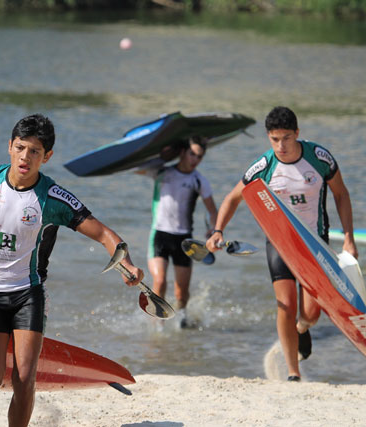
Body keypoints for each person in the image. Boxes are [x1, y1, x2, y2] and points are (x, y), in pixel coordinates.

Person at [0, 114, 144, 427]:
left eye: (35, 151)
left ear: (46, 157)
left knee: (24, 379)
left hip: (27, 295)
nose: (25, 156)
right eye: (20, 147)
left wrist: (125, 262)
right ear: (9, 146)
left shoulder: (52, 198)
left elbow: (102, 233)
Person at [206, 106, 357, 381]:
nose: (281, 145)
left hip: (314, 243)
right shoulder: (264, 165)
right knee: (285, 305)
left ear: (297, 134)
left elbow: (341, 194)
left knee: (311, 314)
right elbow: (232, 197)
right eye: (274, 139)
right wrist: (218, 230)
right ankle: (293, 372)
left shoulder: (319, 157)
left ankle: (301, 329)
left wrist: (348, 237)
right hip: (280, 244)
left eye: (286, 138)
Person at [136, 136, 218, 328]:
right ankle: (157, 325)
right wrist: (164, 154)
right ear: (182, 152)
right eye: (192, 154)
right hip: (160, 235)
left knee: (181, 293)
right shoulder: (162, 172)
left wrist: (213, 229)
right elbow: (138, 167)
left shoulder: (199, 180)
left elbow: (212, 210)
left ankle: (181, 321)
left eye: (199, 156)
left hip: (184, 240)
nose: (195, 160)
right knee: (160, 280)